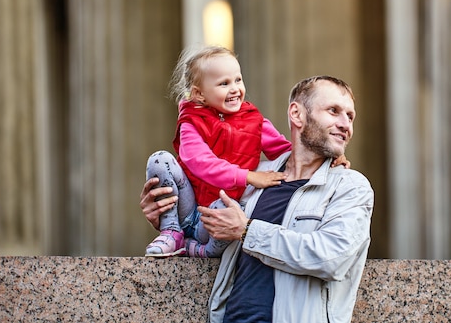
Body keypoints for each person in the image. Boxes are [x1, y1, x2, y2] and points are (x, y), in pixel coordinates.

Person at [141, 75, 374, 323]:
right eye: (333, 111)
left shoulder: (351, 187)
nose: (345, 124)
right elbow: (211, 236)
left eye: (350, 116)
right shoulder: (252, 176)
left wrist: (247, 231)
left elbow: (330, 258)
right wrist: (168, 216)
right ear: (297, 114)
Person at [143, 45, 292, 258]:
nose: (234, 88)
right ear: (199, 94)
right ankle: (172, 232)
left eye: (238, 80)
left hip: (215, 218)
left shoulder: (255, 122)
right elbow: (201, 162)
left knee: (231, 209)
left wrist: (326, 160)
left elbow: (286, 152)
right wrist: (248, 177)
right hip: (187, 206)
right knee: (159, 159)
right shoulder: (190, 123)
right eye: (224, 83)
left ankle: (202, 250)